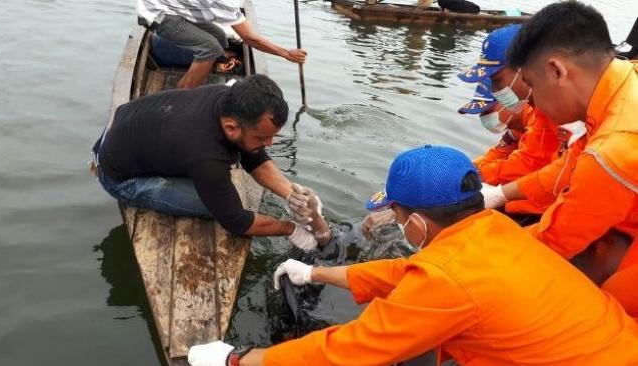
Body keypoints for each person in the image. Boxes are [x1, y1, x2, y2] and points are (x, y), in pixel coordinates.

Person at [186, 145, 638, 366]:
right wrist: (317, 272)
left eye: (397, 213)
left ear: (416, 220)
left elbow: (349, 349)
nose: (399, 223)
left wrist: (238, 359)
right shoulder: (498, 228)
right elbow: (406, 271)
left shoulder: (447, 279)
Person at [482, 2, 638, 317]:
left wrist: (473, 257)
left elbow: (556, 239)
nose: (533, 102)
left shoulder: (614, 149)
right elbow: (565, 170)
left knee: (610, 308)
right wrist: (499, 194)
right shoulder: (622, 83)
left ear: (557, 71)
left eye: (534, 86)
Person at [362, 25, 561, 237]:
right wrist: (458, 173)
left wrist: (460, 180)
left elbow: (528, 162)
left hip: (541, 211)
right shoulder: (520, 125)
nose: (483, 116)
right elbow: (499, 154)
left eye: (487, 109)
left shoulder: (546, 113)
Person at [93, 74, 329, 251]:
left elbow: (253, 155)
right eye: (262, 137)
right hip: (118, 176)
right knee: (215, 205)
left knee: (233, 168)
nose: (269, 144)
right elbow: (237, 222)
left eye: (272, 136)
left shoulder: (228, 99)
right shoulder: (204, 153)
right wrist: (289, 228)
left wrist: (290, 194)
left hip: (119, 130)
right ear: (230, 127)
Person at [137, 0, 307, 88]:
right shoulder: (226, 2)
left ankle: (201, 69)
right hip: (158, 12)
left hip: (176, 8)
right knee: (210, 47)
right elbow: (250, 39)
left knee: (218, 36)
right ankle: (185, 92)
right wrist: (286, 54)